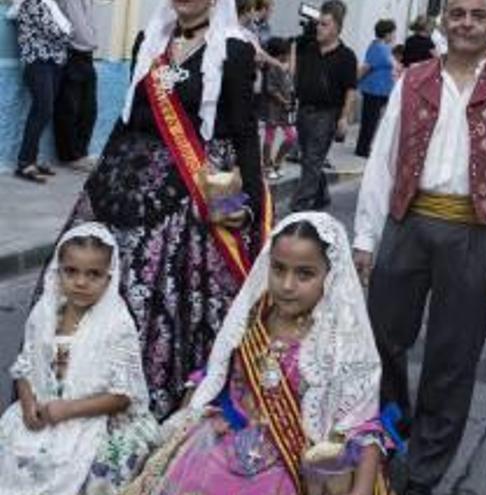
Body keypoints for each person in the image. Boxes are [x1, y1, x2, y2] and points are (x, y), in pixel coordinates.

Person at [352, 0, 486, 492]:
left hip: (475, 232)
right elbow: (383, 158)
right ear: (443, 19)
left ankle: (423, 474)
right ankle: (386, 445)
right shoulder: (413, 78)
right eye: (457, 12)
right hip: (407, 222)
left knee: (453, 357)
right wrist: (365, 236)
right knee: (382, 342)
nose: (466, 22)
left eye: (477, 14)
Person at [52, 0, 270, 418]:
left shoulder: (235, 50)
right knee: (84, 273)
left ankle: (154, 404)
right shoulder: (149, 41)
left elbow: (242, 133)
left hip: (193, 194)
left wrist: (250, 212)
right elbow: (128, 117)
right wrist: (96, 183)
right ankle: (72, 387)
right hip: (123, 187)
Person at [124, 212, 387, 495]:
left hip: (296, 464)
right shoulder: (251, 317)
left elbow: (362, 426)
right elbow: (216, 374)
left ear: (331, 275)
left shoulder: (342, 339)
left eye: (304, 274)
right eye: (278, 268)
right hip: (226, 442)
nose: (287, 285)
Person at [0, 223, 159, 495]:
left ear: (109, 278)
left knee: (93, 469)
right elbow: (26, 365)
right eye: (71, 271)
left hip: (94, 415)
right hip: (41, 413)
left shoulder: (116, 324)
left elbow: (122, 396)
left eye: (93, 274)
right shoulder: (45, 313)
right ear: (57, 271)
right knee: (15, 455)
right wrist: (27, 405)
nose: (81, 282)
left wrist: (67, 410)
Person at [290, 0, 357, 211]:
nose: (319, 27)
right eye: (318, 23)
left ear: (337, 27)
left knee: (312, 160)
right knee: (310, 159)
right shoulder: (308, 46)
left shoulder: (347, 56)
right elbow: (292, 46)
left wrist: (344, 118)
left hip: (327, 114)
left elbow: (351, 90)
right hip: (304, 110)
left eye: (324, 24)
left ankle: (299, 208)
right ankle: (322, 196)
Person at [6, 0, 71, 183]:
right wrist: (69, 32)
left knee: (44, 111)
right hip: (38, 62)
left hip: (53, 62)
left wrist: (67, 31)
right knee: (42, 110)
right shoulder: (32, 2)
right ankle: (24, 162)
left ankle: (32, 159)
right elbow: (55, 31)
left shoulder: (48, 3)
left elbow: (62, 30)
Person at [54, 0, 98, 171]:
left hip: (87, 53)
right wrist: (88, 40)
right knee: (69, 108)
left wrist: (92, 39)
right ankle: (70, 156)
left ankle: (81, 153)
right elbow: (75, 24)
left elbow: (88, 22)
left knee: (88, 109)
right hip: (72, 52)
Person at [355, 19, 397, 158]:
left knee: (373, 120)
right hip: (373, 90)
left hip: (381, 90)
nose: (394, 35)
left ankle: (365, 146)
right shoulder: (378, 47)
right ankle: (362, 148)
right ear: (386, 33)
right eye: (392, 33)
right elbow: (367, 66)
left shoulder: (384, 47)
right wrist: (353, 82)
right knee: (369, 121)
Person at [262, 37, 297, 181]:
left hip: (285, 109)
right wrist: (284, 101)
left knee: (292, 136)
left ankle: (277, 162)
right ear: (279, 54)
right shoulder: (272, 67)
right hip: (273, 108)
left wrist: (293, 49)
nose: (288, 56)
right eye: (286, 53)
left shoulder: (284, 65)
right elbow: (271, 89)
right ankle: (267, 166)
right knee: (270, 136)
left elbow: (292, 71)